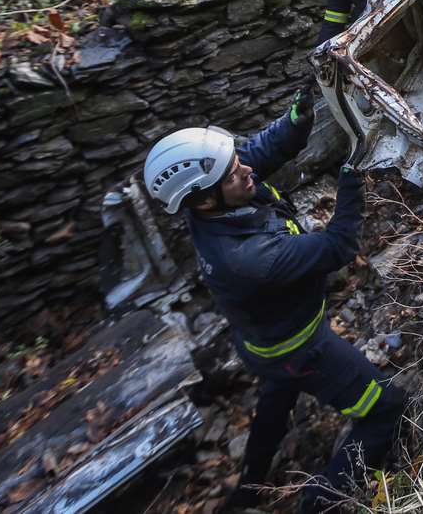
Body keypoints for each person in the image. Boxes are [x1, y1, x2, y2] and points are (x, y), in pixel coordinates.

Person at [143, 89, 406, 512]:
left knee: (275, 402)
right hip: (302, 350)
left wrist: (296, 120)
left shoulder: (211, 200)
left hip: (262, 344)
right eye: (234, 174)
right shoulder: (247, 258)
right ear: (206, 198)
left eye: (236, 164)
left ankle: (247, 490)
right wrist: (353, 173)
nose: (247, 170)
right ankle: (317, 502)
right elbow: (338, 246)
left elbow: (258, 153)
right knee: (385, 410)